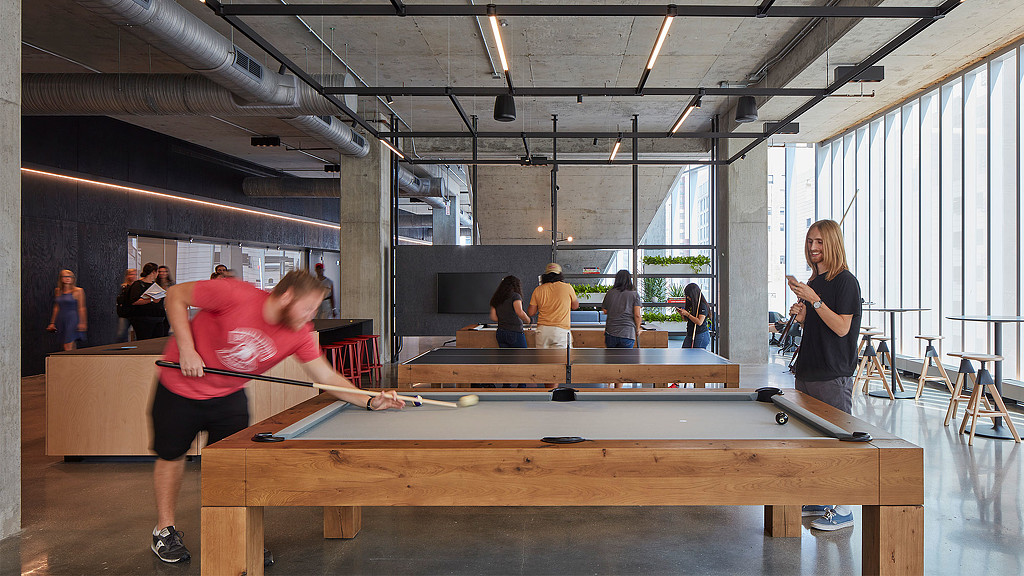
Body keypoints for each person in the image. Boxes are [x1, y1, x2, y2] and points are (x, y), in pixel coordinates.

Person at [149, 270, 404, 564]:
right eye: (308, 307)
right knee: (171, 457)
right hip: (178, 386)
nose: (311, 316)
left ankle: (236, 534)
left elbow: (326, 377)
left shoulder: (299, 332)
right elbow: (175, 295)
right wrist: (186, 348)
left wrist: (371, 400)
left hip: (228, 394)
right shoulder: (235, 294)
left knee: (233, 468)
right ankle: (164, 530)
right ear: (286, 296)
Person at [787, 219, 862, 532]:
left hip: (833, 373)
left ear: (831, 243)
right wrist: (804, 316)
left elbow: (843, 328)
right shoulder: (815, 281)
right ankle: (819, 497)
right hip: (807, 370)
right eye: (809, 242)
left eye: (818, 242)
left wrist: (815, 302)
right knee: (813, 440)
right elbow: (818, 328)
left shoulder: (846, 282)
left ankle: (843, 508)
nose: (813, 248)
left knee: (838, 441)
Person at [526, 263, 579, 349]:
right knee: (562, 361)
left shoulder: (538, 290)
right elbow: (575, 306)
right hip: (560, 331)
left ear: (545, 275)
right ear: (560, 275)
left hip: (543, 332)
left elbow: (531, 312)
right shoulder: (567, 288)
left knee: (543, 361)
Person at [47, 269, 86, 351]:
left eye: (70, 276)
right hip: (61, 318)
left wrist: (83, 322)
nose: (68, 278)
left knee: (68, 343)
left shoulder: (78, 291)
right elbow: (56, 307)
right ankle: (73, 362)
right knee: (67, 343)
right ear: (61, 278)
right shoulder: (58, 291)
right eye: (65, 276)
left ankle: (69, 362)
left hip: (72, 318)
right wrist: (52, 323)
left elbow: (81, 308)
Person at [600, 270, 642, 349]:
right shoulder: (634, 294)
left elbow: (605, 311)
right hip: (627, 332)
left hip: (610, 332)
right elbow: (637, 315)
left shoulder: (610, 293)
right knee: (625, 360)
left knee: (611, 360)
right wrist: (637, 329)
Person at [128, 262, 168, 340]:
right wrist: (151, 300)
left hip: (158, 318)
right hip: (144, 319)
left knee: (157, 341)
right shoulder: (138, 284)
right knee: (145, 340)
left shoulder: (155, 285)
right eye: (157, 272)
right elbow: (134, 301)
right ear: (153, 272)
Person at [489, 275, 531, 349]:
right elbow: (519, 312)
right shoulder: (515, 296)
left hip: (500, 332)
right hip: (515, 332)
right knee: (523, 356)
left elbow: (494, 317)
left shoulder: (497, 298)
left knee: (506, 359)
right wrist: (528, 320)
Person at [676, 283, 711, 349]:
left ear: (693, 295)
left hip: (700, 335)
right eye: (686, 296)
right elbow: (688, 319)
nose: (687, 297)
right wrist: (682, 314)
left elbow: (699, 322)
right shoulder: (692, 304)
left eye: (689, 296)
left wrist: (687, 314)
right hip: (690, 334)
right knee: (685, 353)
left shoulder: (702, 305)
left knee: (696, 357)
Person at [115, 268, 137, 342]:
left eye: (134, 274)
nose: (132, 276)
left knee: (137, 334)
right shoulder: (123, 287)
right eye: (130, 274)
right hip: (125, 313)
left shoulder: (138, 287)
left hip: (136, 313)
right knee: (121, 333)